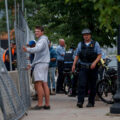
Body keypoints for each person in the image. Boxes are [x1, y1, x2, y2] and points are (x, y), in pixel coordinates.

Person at [72, 28, 102, 108]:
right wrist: (74, 65)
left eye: (87, 35)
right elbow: (77, 55)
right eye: (84, 35)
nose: (86, 36)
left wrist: (94, 63)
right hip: (83, 67)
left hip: (93, 68)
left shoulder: (95, 44)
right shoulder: (80, 44)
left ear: (90, 35)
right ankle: (80, 102)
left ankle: (91, 102)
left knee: (92, 85)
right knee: (81, 84)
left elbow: (99, 55)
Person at [23, 26, 50, 110]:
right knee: (44, 84)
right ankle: (47, 104)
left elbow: (37, 49)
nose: (36, 33)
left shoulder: (42, 40)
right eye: (35, 31)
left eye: (38, 31)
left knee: (38, 84)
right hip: (44, 63)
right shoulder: (44, 40)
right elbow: (38, 55)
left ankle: (40, 104)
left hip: (41, 64)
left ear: (42, 32)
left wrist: (27, 49)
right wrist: (31, 65)